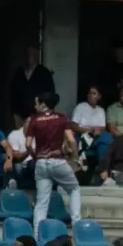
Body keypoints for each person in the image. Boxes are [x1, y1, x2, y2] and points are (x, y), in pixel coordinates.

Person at [27, 91, 80, 231]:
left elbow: (27, 144)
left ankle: (38, 233)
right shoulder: (62, 118)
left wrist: (34, 155)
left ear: (43, 104)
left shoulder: (34, 120)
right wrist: (75, 158)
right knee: (74, 189)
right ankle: (77, 224)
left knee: (41, 202)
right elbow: (71, 140)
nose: (35, 105)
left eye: (37, 102)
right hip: (58, 161)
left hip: (41, 162)